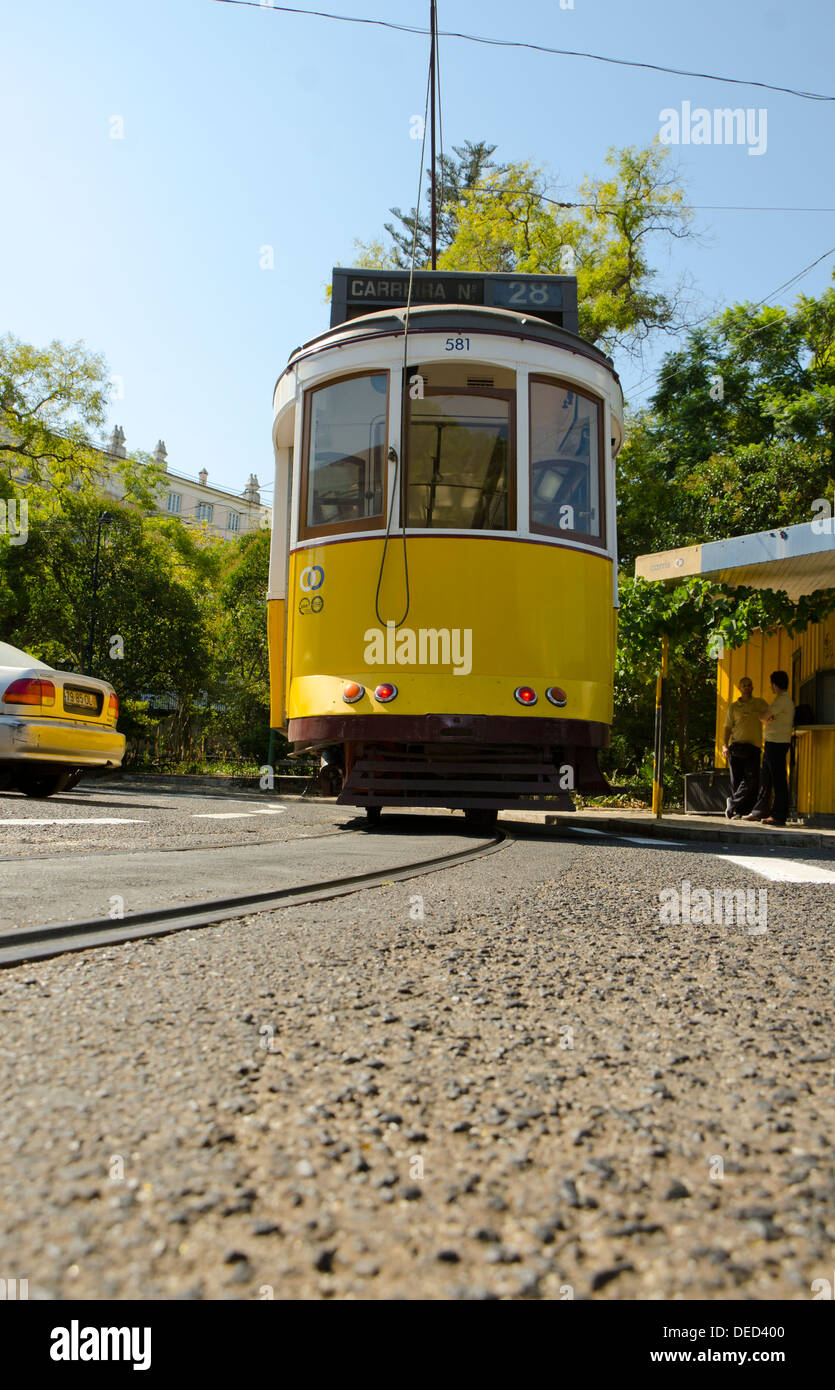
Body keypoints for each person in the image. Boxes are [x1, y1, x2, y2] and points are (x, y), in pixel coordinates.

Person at [744, 670, 795, 826]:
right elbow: (767, 716)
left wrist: (766, 717)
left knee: (778, 779)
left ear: (774, 684)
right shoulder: (781, 700)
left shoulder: (782, 700)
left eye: (771, 684)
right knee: (766, 777)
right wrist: (768, 717)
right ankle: (761, 810)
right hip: (773, 742)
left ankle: (779, 815)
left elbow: (764, 715)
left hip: (778, 743)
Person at [722, 676, 768, 818]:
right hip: (736, 747)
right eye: (744, 686)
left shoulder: (760, 704)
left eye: (749, 685)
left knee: (752, 779)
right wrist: (724, 746)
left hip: (753, 747)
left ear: (752, 687)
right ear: (740, 688)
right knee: (736, 780)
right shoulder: (733, 707)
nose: (747, 688)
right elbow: (727, 728)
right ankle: (738, 811)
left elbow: (771, 718)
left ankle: (734, 803)